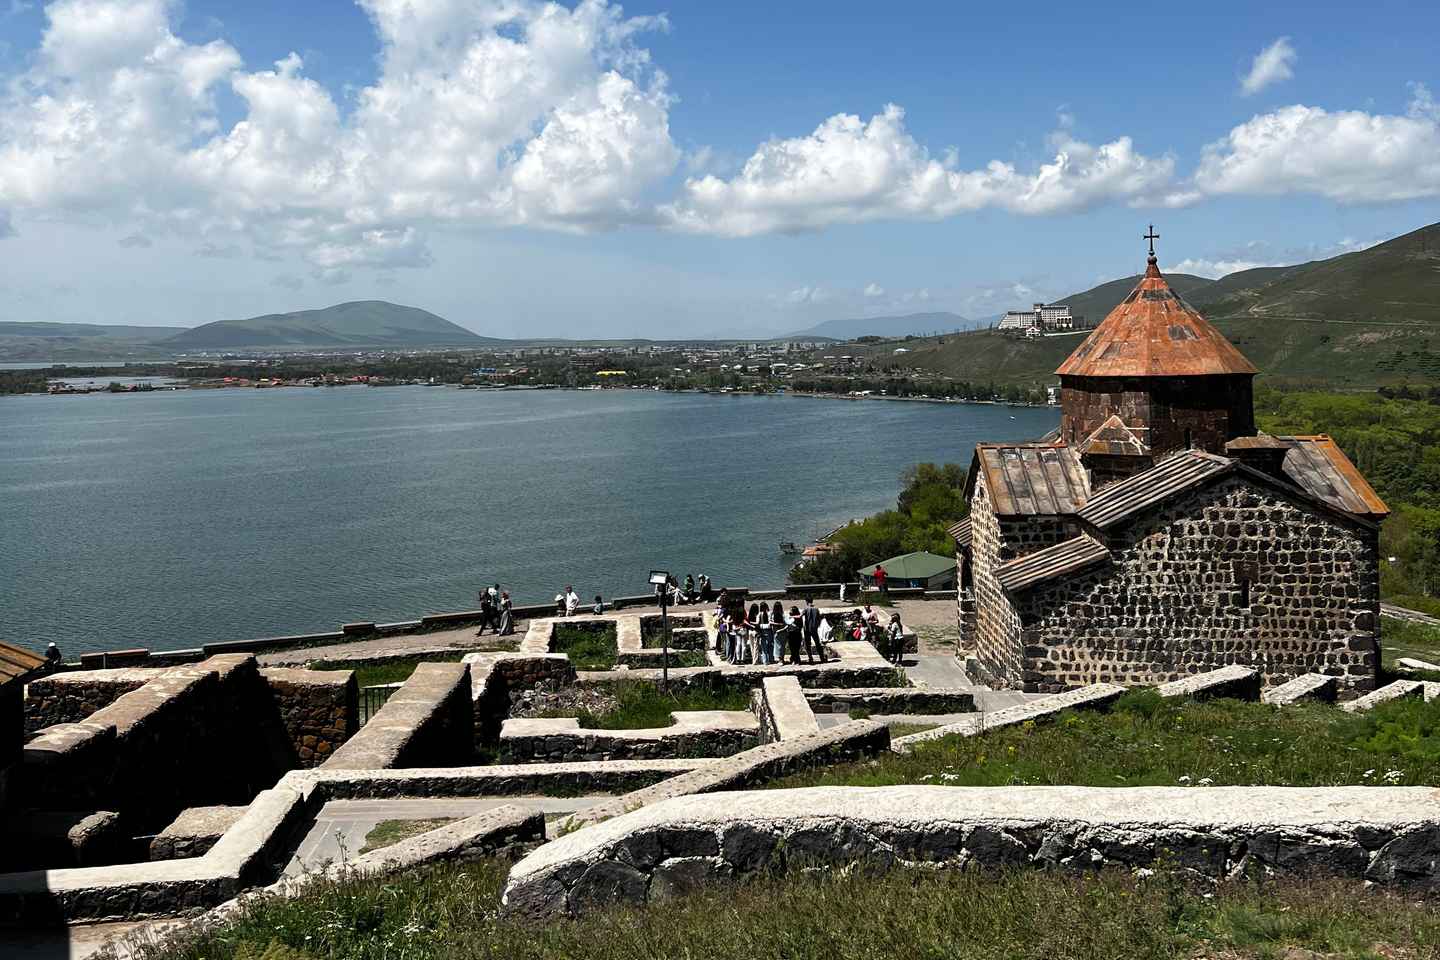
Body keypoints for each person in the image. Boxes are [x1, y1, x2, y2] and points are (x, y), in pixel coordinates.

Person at [801, 597, 823, 664]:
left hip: (807, 629)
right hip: (814, 628)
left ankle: (810, 658)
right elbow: (819, 619)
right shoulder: (816, 609)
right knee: (817, 643)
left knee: (808, 644)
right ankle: (821, 657)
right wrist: (817, 625)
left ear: (806, 601)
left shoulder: (806, 609)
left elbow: (800, 616)